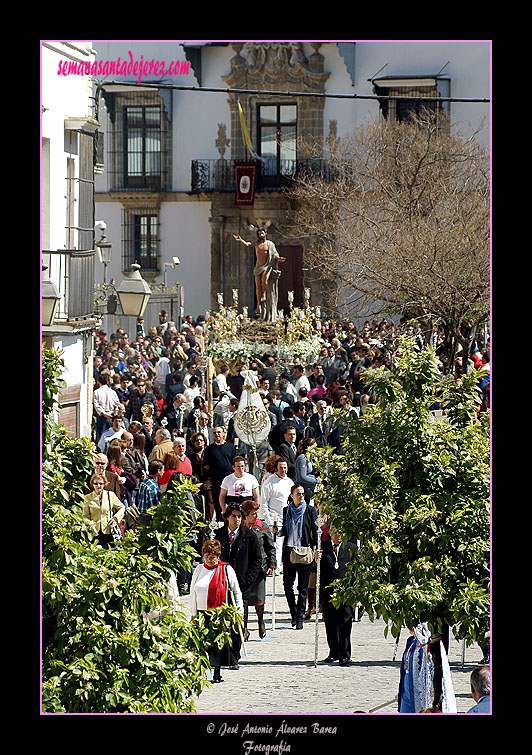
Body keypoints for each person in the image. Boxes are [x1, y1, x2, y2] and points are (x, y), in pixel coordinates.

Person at [189, 539, 244, 683]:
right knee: (201, 644)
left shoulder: (226, 569)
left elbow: (237, 592)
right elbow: (192, 593)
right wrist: (193, 614)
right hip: (202, 612)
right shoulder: (199, 569)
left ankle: (217, 672)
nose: (209, 559)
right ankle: (200, 673)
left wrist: (239, 611)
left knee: (217, 645)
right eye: (207, 555)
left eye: (212, 556)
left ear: (218, 556)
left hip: (219, 613)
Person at [217, 501, 263, 665]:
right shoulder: (219, 535)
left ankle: (234, 656)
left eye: (239, 516)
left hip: (241, 585)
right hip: (221, 585)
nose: (236, 519)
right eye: (233, 516)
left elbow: (257, 560)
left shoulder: (250, 536)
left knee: (238, 619)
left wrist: (248, 579)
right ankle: (223, 655)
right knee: (222, 620)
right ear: (227, 517)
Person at [275, 484, 318, 630]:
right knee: (287, 585)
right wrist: (278, 532)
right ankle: (293, 612)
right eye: (298, 494)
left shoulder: (310, 510)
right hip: (289, 550)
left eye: (302, 494)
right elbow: (286, 530)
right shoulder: (287, 510)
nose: (301, 496)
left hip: (304, 551)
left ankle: (300, 618)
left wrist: (316, 548)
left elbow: (314, 530)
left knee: (303, 588)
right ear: (291, 495)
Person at [314, 529, 357, 665]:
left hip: (346, 591)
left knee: (345, 622)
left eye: (341, 533)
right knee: (330, 623)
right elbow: (316, 571)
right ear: (330, 534)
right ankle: (333, 652)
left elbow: (357, 571)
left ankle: (345, 654)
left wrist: (356, 593)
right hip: (329, 591)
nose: (338, 536)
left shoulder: (351, 548)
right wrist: (316, 560)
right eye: (335, 533)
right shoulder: (323, 548)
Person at [397, 621, 457, 713]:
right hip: (409, 694)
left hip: (421, 695)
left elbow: (429, 676)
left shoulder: (428, 646)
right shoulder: (412, 642)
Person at [233, 228, 286, 318]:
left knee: (264, 281)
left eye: (262, 233)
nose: (261, 235)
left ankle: (264, 294)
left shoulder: (270, 244)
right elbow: (247, 244)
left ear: (265, 233)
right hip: (258, 267)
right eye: (259, 234)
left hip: (267, 266)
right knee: (258, 287)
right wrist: (241, 240)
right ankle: (258, 305)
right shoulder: (257, 244)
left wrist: (279, 258)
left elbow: (274, 254)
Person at [242, 500, 276, 639]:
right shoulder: (241, 528)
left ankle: (260, 621)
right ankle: (244, 628)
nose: (256, 516)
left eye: (257, 513)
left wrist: (271, 564)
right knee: (243, 600)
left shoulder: (262, 527)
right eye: (253, 514)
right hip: (244, 569)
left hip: (259, 568)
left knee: (259, 599)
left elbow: (270, 547)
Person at [259, 458, 293, 572]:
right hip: (275, 518)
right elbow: (263, 503)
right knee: (276, 544)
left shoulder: (289, 482)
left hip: (288, 518)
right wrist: (269, 520)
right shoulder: (269, 482)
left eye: (284, 467)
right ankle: (276, 566)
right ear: (276, 468)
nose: (283, 470)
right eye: (280, 468)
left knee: (287, 544)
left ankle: (285, 565)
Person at [82, 472, 125, 548]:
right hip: (94, 532)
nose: (98, 486)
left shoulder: (110, 495)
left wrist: (115, 518)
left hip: (108, 532)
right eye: (96, 484)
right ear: (92, 484)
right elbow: (85, 516)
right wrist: (91, 525)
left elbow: (122, 508)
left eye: (100, 483)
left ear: (104, 484)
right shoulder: (88, 498)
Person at [204, 426, 237, 521]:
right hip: (216, 482)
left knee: (231, 505)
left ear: (224, 433)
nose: (217, 434)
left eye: (219, 432)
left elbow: (235, 464)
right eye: (214, 433)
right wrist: (208, 480)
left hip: (230, 482)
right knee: (219, 507)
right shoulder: (209, 449)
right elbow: (206, 467)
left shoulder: (231, 448)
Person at [93, 373, 120, 440]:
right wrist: (112, 412)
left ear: (98, 382)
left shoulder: (96, 392)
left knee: (102, 436)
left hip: (102, 416)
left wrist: (103, 413)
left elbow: (96, 405)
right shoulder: (113, 392)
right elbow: (117, 404)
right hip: (111, 415)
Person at [294, 437, 320, 503]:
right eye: (314, 448)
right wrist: (317, 481)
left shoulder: (309, 458)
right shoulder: (302, 458)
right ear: (309, 447)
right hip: (304, 490)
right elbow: (302, 477)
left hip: (310, 488)